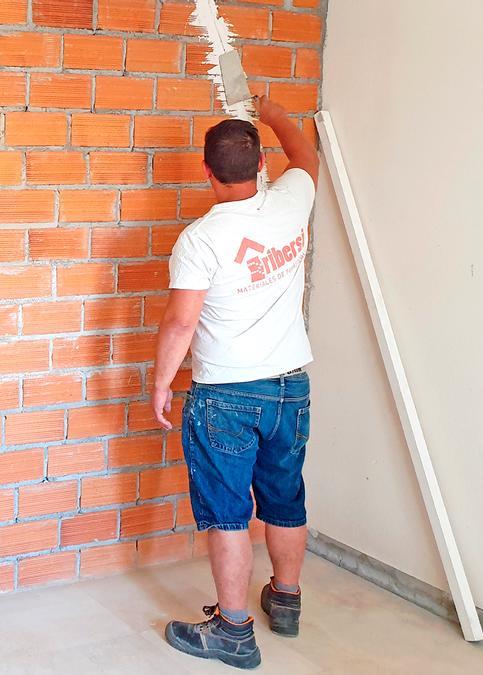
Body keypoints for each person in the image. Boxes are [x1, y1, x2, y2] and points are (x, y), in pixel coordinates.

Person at [150, 95, 318, 670]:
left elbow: (181, 321)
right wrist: (270, 113)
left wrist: (160, 382)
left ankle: (232, 630)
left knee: (226, 511)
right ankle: (287, 599)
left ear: (206, 171)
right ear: (260, 165)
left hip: (225, 393)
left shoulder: (200, 239)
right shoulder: (293, 200)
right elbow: (306, 154)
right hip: (290, 387)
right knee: (284, 497)